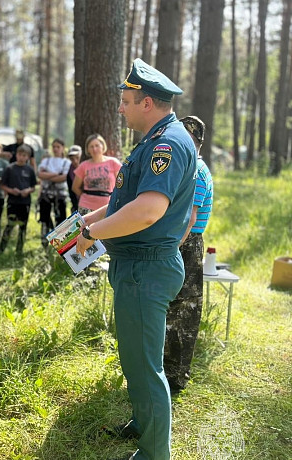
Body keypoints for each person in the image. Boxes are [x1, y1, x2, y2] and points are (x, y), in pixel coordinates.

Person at [76, 58, 197, 460]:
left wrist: (92, 234)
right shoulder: (151, 140)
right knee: (135, 359)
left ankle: (154, 454)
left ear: (147, 103)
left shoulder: (168, 144)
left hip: (147, 268)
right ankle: (144, 423)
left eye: (126, 101)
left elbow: (147, 211)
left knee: (146, 367)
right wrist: (87, 219)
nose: (120, 108)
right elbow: (122, 202)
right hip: (136, 267)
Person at [163, 115, 214, 394]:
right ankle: (167, 371)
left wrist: (171, 248)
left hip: (187, 243)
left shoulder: (196, 170)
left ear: (196, 143)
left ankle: (176, 377)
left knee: (184, 311)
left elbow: (190, 218)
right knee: (172, 308)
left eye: (187, 140)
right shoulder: (189, 167)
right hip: (182, 241)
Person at [0, 144, 37, 255]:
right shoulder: (10, 168)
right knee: (10, 225)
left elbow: (34, 187)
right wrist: (11, 190)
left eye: (24, 155)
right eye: (19, 154)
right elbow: (2, 185)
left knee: (23, 227)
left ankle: (19, 250)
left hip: (25, 202)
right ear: (16, 155)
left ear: (28, 157)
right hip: (13, 201)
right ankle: (1, 249)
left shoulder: (30, 170)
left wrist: (28, 191)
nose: (21, 157)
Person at [71, 134, 122, 215]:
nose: (94, 149)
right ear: (88, 149)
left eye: (97, 145)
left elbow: (121, 184)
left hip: (107, 206)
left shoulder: (113, 163)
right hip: (86, 206)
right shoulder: (83, 165)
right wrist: (86, 197)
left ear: (103, 146)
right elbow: (75, 187)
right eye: (91, 146)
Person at [38, 138, 71, 244]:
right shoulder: (46, 161)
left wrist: (48, 175)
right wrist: (56, 174)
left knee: (61, 220)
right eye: (54, 147)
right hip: (46, 194)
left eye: (58, 147)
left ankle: (61, 244)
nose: (56, 149)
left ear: (63, 148)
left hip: (60, 194)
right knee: (45, 219)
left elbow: (64, 177)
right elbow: (40, 174)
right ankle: (44, 242)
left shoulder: (66, 162)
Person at [66, 145, 82, 214]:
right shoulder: (70, 173)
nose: (75, 161)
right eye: (72, 159)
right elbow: (71, 192)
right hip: (77, 203)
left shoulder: (87, 168)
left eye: (77, 158)